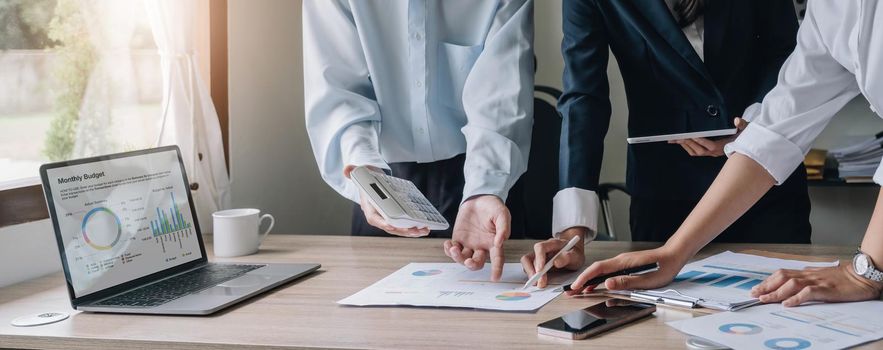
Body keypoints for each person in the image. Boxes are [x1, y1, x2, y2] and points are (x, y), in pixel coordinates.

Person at [560, 0, 883, 306]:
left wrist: (866, 273)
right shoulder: (830, 11)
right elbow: (778, 128)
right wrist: (674, 252)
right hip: (669, 186)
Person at [523, 0, 809, 287]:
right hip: (664, 192)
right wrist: (571, 234)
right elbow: (583, 97)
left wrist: (754, 126)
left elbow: (786, 52)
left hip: (765, 185)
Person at [302, 0, 534, 280]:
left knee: (495, 309)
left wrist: (485, 187)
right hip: (381, 180)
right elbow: (340, 88)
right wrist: (366, 171)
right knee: (376, 319)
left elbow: (502, 90)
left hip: (484, 182)